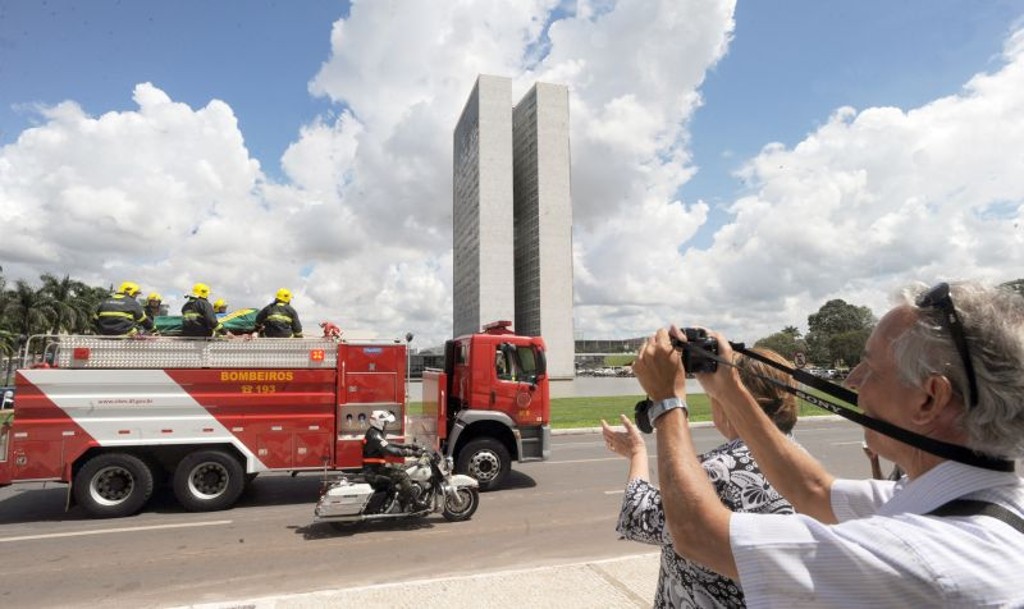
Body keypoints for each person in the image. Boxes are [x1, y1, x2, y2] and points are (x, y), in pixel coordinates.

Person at [633, 280, 1024, 607]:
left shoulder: (925, 556)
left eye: (871, 368)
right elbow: (814, 490)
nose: (852, 379)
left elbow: (699, 535)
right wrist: (728, 388)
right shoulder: (979, 503)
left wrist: (668, 402)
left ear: (929, 399)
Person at [601, 347, 799, 608]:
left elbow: (639, 515)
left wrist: (637, 453)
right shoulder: (801, 460)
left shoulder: (719, 470)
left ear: (732, 402)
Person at [362, 410, 427, 510]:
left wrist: (409, 446)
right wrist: (411, 453)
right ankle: (414, 502)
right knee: (403, 475)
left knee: (401, 467)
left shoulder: (374, 433)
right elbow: (389, 450)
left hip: (375, 468)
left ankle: (400, 499)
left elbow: (390, 444)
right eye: (385, 422)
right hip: (374, 471)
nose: (386, 425)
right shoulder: (375, 435)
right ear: (379, 422)